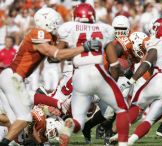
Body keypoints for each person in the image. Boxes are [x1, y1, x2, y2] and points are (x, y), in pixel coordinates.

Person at [0, 7, 99, 145]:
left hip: (14, 78)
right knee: (24, 118)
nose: (57, 24)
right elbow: (55, 54)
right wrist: (83, 48)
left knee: (14, 121)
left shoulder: (45, 35)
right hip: (13, 78)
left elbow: (54, 59)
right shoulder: (39, 32)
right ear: (46, 21)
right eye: (55, 21)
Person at [57, 3, 130, 146]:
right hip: (98, 72)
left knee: (78, 121)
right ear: (93, 16)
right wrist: (111, 85)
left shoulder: (68, 29)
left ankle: (70, 124)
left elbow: (56, 56)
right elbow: (114, 65)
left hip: (79, 76)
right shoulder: (104, 29)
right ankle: (123, 144)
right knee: (122, 109)